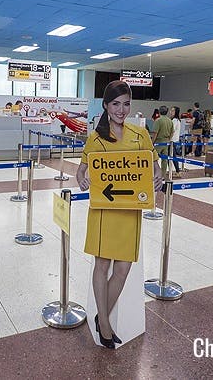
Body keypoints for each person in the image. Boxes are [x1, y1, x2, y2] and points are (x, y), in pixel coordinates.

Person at [76, 80, 163, 349]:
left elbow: (155, 164)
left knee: (123, 268)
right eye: (115, 104)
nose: (121, 110)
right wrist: (82, 179)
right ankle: (104, 323)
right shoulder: (96, 138)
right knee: (102, 266)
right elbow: (81, 169)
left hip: (129, 211)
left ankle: (100, 315)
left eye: (126, 104)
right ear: (105, 105)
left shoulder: (140, 134)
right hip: (104, 211)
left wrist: (158, 176)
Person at [151, 105, 173, 178]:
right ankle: (163, 175)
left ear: (159, 112)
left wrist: (152, 143)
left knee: (154, 159)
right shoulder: (170, 121)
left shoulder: (158, 120)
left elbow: (155, 133)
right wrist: (169, 139)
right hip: (166, 143)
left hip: (158, 142)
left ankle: (155, 174)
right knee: (165, 160)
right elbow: (172, 132)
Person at [169, 106, 182, 178]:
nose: (171, 112)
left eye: (173, 111)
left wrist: (169, 138)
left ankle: (178, 171)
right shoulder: (176, 120)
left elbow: (172, 131)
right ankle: (172, 170)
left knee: (173, 156)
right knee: (171, 156)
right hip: (173, 140)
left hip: (172, 140)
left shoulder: (175, 120)